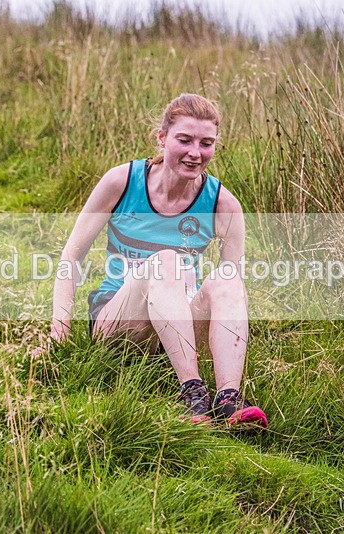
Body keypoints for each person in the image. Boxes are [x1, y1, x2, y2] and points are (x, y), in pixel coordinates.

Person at [51, 93, 267, 428]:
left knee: (227, 278)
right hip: (120, 323)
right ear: (162, 138)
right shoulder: (121, 182)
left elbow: (232, 293)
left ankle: (229, 401)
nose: (195, 153)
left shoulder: (223, 204)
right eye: (184, 140)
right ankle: (192, 396)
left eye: (206, 143)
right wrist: (60, 328)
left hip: (179, 324)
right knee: (167, 261)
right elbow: (72, 255)